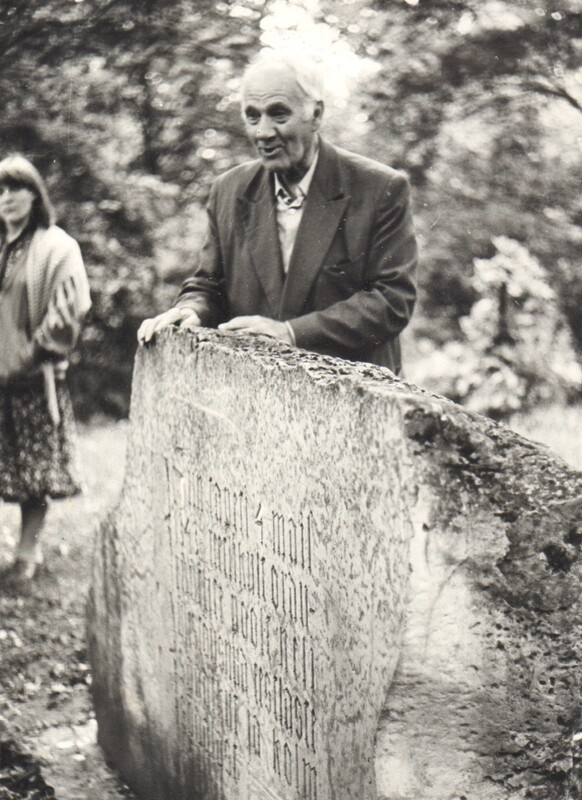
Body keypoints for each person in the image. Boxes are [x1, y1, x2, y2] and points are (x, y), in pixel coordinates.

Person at [138, 51, 417, 373]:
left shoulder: (379, 188)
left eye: (278, 115)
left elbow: (392, 301)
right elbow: (209, 284)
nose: (263, 132)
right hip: (256, 395)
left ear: (316, 115)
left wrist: (291, 333)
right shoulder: (228, 191)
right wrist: (192, 310)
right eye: (252, 116)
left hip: (355, 397)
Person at [0, 155, 91, 588]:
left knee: (34, 471)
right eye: (0, 190)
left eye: (15, 188)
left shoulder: (56, 246)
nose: (6, 198)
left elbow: (69, 307)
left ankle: (27, 551)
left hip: (31, 378)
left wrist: (30, 354)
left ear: (35, 194)